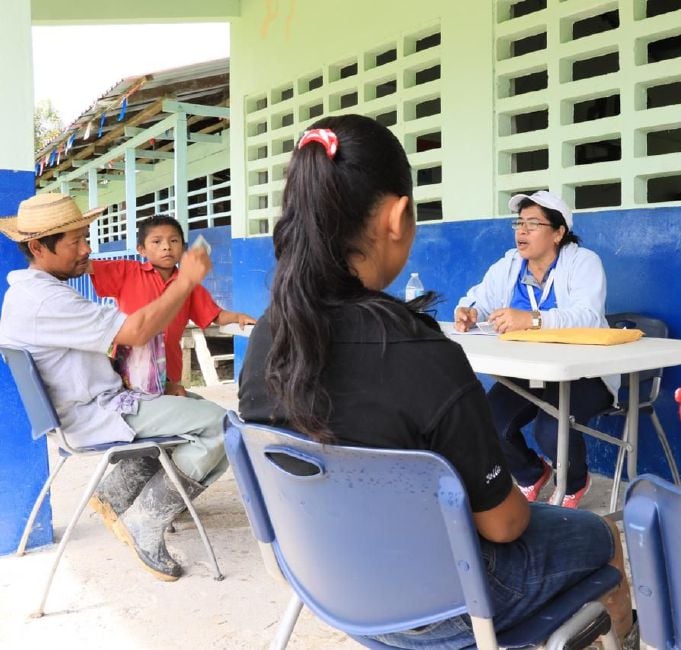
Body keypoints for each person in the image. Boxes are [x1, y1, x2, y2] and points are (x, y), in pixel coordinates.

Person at [237, 115, 636, 648]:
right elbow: (504, 528)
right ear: (398, 217)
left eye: (533, 224)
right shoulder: (426, 356)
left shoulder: (267, 338)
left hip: (325, 580)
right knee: (600, 531)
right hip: (447, 605)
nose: (522, 231)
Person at [0, 193, 228, 581]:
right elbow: (137, 332)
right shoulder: (46, 300)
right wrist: (185, 280)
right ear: (38, 247)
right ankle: (143, 520)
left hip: (95, 403)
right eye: (76, 241)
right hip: (95, 412)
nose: (87, 249)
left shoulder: (30, 292)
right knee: (223, 426)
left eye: (85, 237)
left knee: (188, 405)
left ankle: (115, 495)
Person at [454, 191, 619, 508]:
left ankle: (574, 482)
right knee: (487, 422)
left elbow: (587, 315)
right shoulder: (509, 264)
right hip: (531, 372)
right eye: (519, 223)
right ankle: (531, 474)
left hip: (584, 373)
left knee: (551, 428)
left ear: (558, 233)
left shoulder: (583, 263)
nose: (522, 231)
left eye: (533, 223)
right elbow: (478, 298)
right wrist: (469, 311)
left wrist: (530, 319)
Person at [88, 214, 256, 396]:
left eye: (174, 241)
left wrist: (237, 317)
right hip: (129, 366)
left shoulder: (189, 284)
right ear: (141, 249)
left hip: (169, 368)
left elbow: (215, 314)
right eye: (157, 242)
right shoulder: (126, 271)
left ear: (183, 248)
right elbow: (85, 266)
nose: (166, 247)